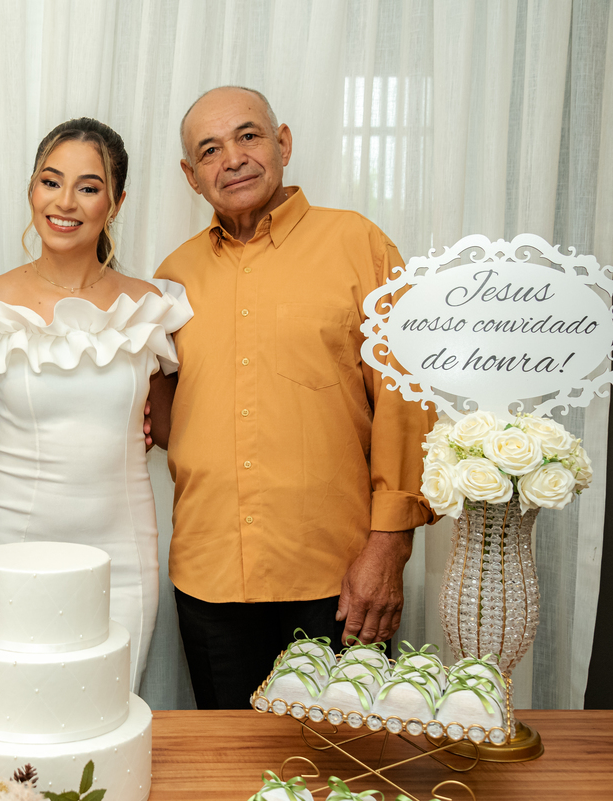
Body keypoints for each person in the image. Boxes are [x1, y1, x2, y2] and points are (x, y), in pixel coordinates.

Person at [146, 86, 436, 709]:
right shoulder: (173, 278)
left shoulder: (360, 245)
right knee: (229, 755)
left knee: (342, 756)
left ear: (283, 143)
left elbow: (406, 406)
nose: (232, 159)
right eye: (209, 150)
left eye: (248, 136)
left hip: (339, 577)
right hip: (210, 576)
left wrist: (389, 547)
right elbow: (167, 418)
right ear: (191, 176)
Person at [0, 118, 192, 690]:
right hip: (13, 541)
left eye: (88, 187)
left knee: (107, 709)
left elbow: (170, 429)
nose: (65, 202)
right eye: (50, 181)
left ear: (116, 202)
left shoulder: (148, 306)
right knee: (8, 704)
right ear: (31, 189)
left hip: (122, 553)